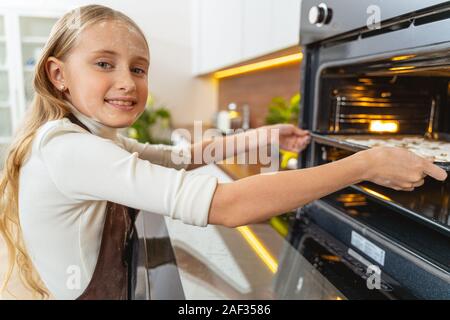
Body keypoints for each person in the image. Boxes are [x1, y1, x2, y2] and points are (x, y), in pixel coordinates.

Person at [0, 5, 446, 300]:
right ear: (58, 74)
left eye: (139, 68)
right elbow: (229, 205)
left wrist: (262, 137)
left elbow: (173, 157)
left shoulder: (87, 138)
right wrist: (365, 163)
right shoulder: (70, 150)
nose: (127, 81)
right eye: (104, 63)